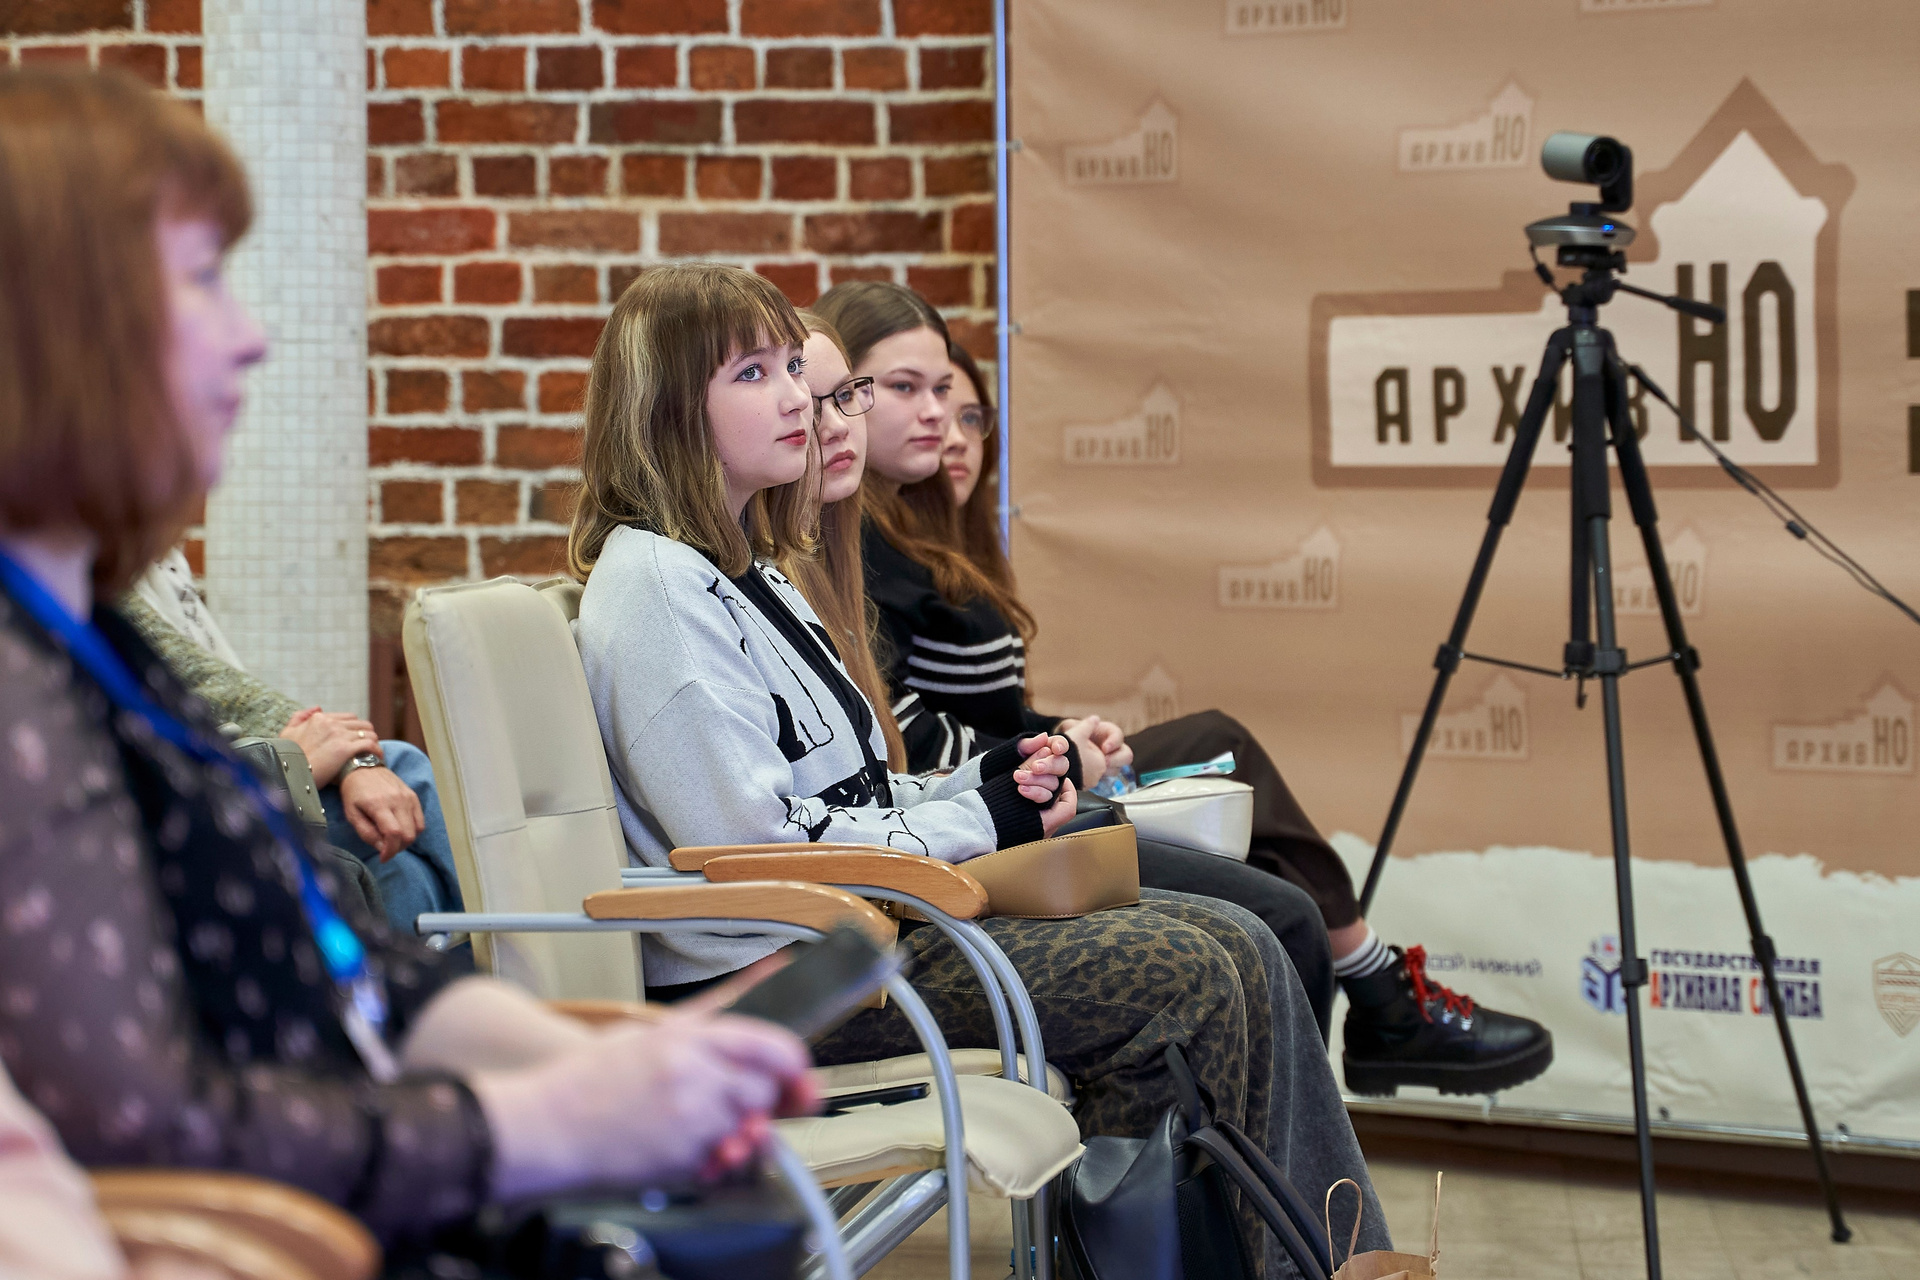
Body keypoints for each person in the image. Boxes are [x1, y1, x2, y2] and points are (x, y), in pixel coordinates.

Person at [0, 66, 813, 1246]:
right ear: (56, 323)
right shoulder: (19, 685)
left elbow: (353, 965)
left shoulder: (95, 630)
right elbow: (152, 1122)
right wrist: (536, 1122)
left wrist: (598, 1057)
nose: (251, 337)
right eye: (202, 281)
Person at [566, 263, 1391, 1269]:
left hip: (860, 932)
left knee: (1244, 941)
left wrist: (988, 779)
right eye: (753, 374)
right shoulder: (660, 586)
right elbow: (757, 846)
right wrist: (989, 820)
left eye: (792, 367)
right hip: (797, 978)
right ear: (666, 408)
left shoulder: (741, 572)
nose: (796, 400)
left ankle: (1334, 1258)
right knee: (1193, 974)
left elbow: (851, 796)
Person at [820, 278, 1555, 1098]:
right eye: (905, 389)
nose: (939, 420)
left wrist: (1065, 735)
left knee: (1245, 810)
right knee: (1278, 897)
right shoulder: (845, 551)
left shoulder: (913, 535)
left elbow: (974, 714)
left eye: (957, 403)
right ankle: (1375, 1006)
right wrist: (1053, 755)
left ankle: (1365, 1024)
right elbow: (902, 743)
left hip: (1010, 796)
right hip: (981, 825)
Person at [121, 545, 464, 932]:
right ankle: (511, 940)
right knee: (404, 768)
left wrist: (347, 757)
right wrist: (287, 762)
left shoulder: (120, 580)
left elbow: (213, 686)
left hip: (221, 778)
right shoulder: (90, 595)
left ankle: (483, 952)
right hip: (192, 805)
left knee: (399, 871)